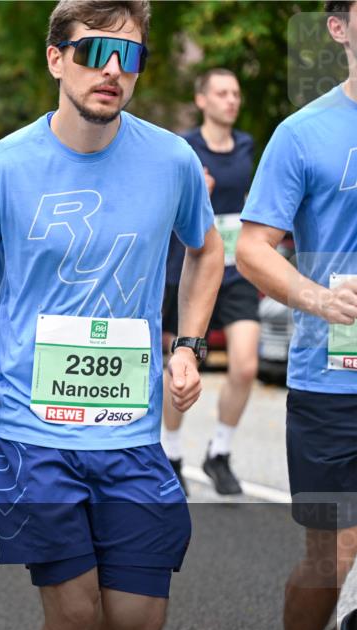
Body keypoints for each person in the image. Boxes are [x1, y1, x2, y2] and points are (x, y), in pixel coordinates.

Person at [0, 2, 225, 630]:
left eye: (129, 56)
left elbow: (208, 250)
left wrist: (188, 346)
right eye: (93, 52)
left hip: (130, 425)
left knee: (137, 622)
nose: (111, 70)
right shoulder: (1, 168)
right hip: (31, 428)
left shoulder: (171, 161)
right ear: (57, 58)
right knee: (74, 609)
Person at [236, 2, 357, 630]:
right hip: (333, 378)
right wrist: (318, 297)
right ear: (338, 28)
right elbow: (253, 249)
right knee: (331, 551)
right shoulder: (302, 134)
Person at [160, 68, 258, 495]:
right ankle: (172, 452)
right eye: (221, 93)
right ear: (202, 100)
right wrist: (190, 190)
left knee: (246, 364)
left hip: (235, 271)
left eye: (235, 93)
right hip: (189, 271)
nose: (231, 100)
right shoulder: (183, 148)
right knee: (179, 367)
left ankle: (219, 452)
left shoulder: (248, 148)